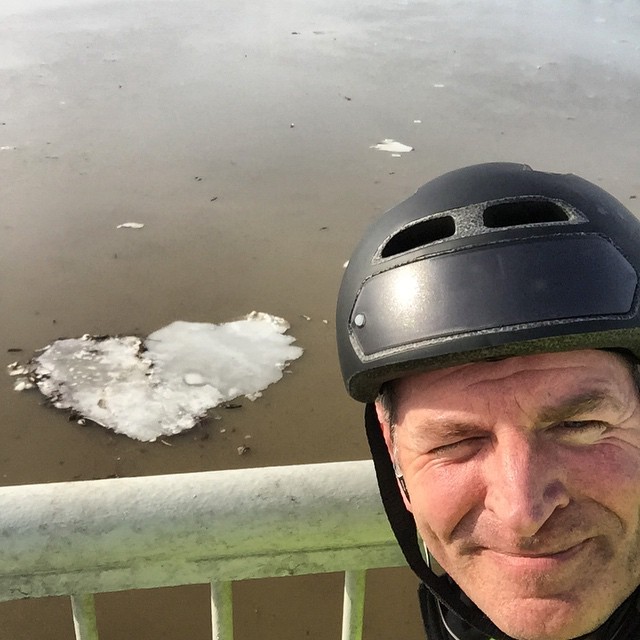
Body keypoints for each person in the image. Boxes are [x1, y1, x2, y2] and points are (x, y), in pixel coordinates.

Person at [336, 163, 640, 640]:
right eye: (456, 442)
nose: (522, 512)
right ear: (393, 452)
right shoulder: (456, 614)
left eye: (581, 424)